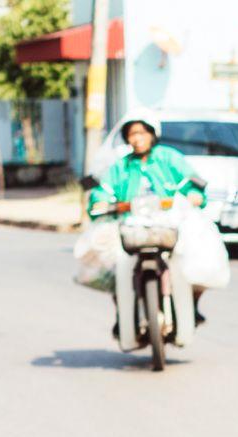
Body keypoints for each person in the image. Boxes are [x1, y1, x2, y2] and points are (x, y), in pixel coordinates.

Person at [86, 114, 213, 326]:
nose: (137, 138)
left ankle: (192, 305)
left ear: (152, 134)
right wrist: (100, 203)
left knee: (198, 259)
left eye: (141, 133)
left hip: (169, 224)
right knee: (113, 267)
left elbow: (192, 181)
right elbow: (102, 191)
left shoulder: (169, 158)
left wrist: (194, 195)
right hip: (130, 227)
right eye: (132, 134)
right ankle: (123, 313)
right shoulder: (121, 167)